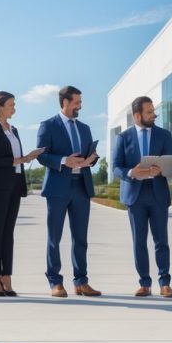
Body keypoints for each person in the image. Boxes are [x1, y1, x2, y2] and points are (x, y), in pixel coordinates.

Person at [36, 85, 102, 298]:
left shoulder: (84, 128)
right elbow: (42, 156)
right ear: (65, 102)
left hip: (81, 187)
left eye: (80, 103)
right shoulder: (48, 126)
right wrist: (65, 161)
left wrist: (91, 160)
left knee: (81, 238)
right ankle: (55, 281)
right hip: (57, 189)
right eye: (77, 103)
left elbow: (89, 155)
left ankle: (81, 281)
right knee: (55, 237)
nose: (80, 106)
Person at [112, 96, 172, 297]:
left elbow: (171, 165)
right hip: (135, 196)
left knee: (161, 241)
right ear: (137, 115)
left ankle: (164, 282)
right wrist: (132, 173)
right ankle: (144, 283)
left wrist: (162, 169)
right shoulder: (123, 137)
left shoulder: (164, 135)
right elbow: (116, 167)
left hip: (158, 194)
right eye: (149, 112)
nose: (154, 115)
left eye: (153, 111)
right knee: (139, 241)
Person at [0, 91, 40, 297]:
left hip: (15, 183)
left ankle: (7, 275)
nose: (14, 108)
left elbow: (16, 158)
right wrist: (20, 160)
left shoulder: (13, 129)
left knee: (9, 233)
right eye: (10, 104)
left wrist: (26, 158)